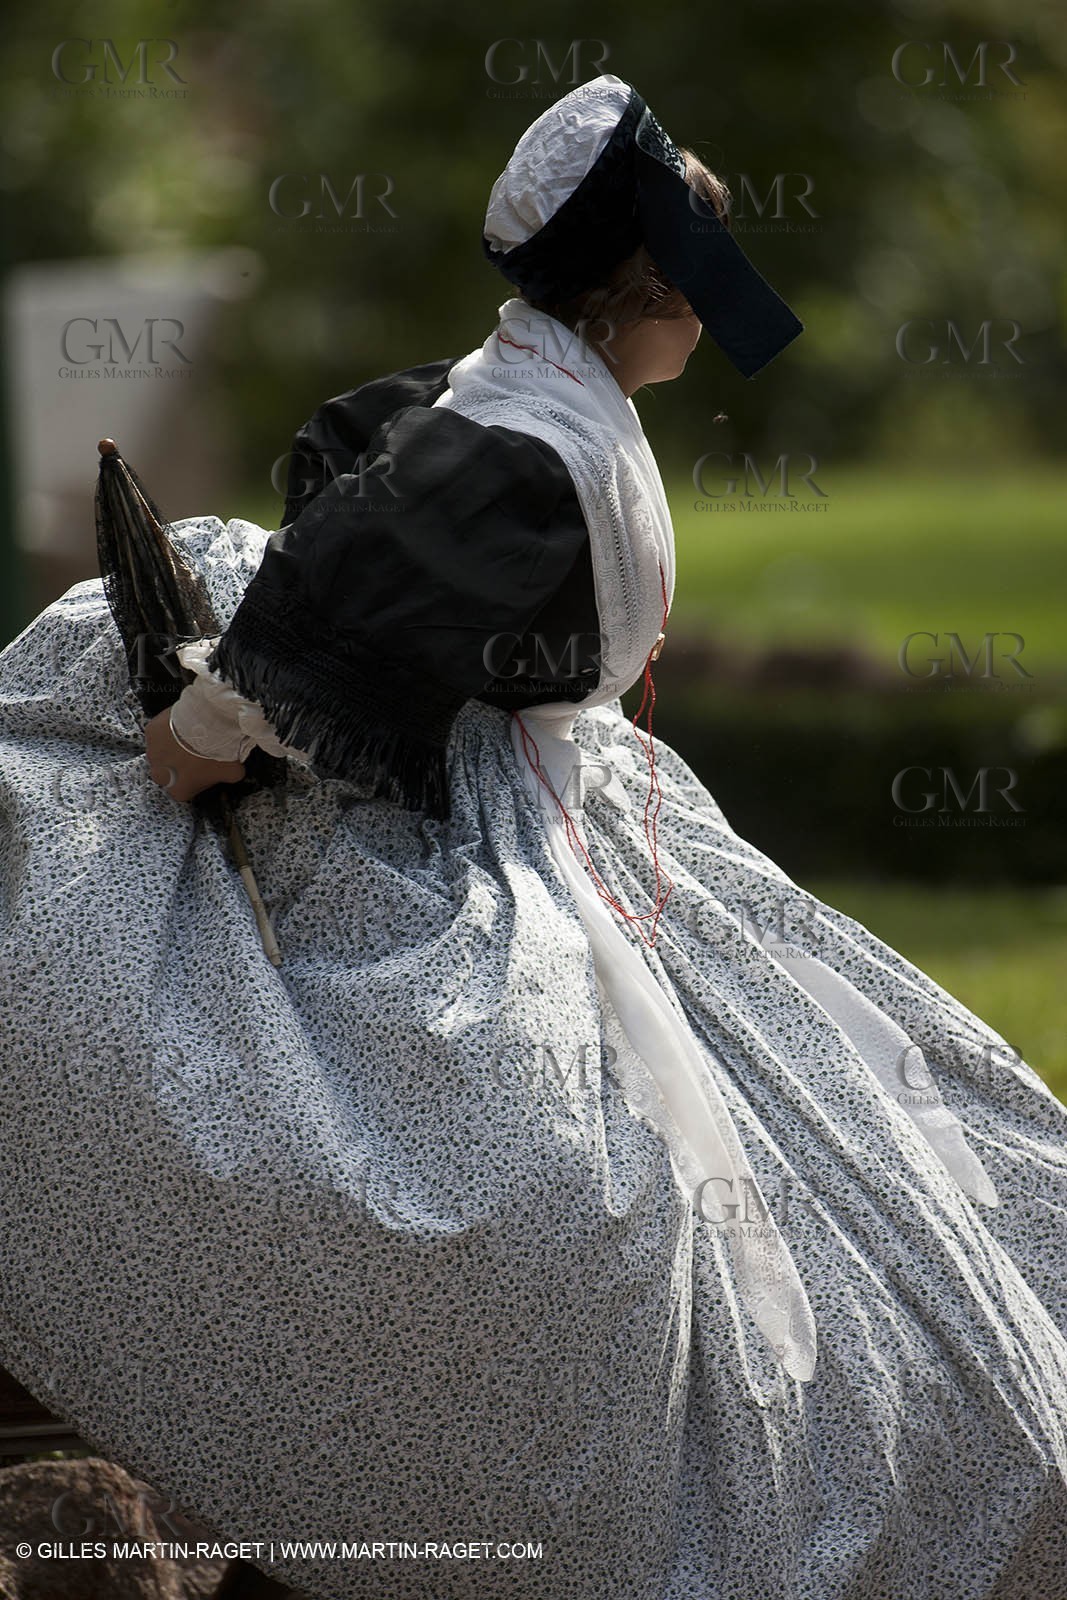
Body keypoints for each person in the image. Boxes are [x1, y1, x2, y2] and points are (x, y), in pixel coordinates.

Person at [1, 72, 1065, 1600]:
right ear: (634, 295)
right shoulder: (509, 451)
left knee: (851, 1094)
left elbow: (364, 506)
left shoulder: (538, 402)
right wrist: (202, 733)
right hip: (483, 832)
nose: (708, 318)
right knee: (562, 1175)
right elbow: (336, 586)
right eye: (690, 292)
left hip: (572, 800)